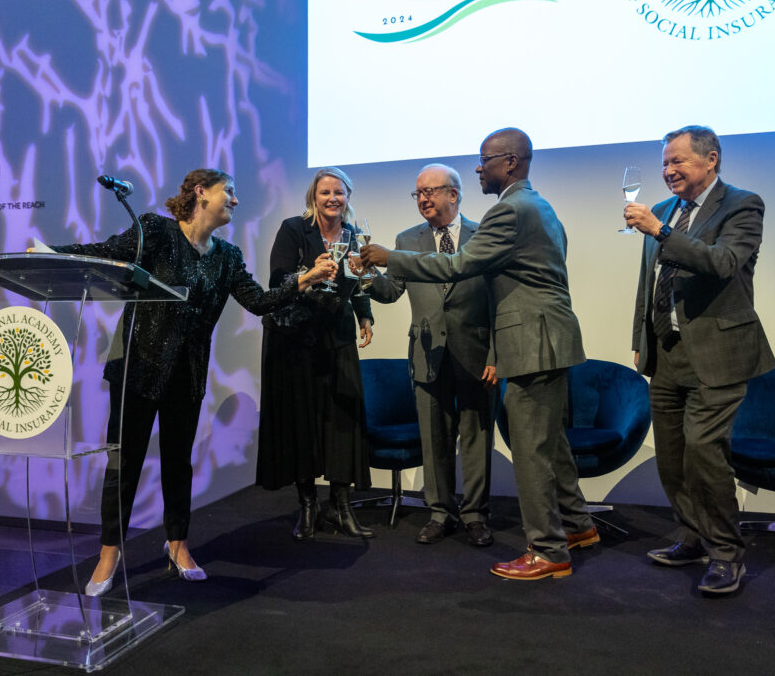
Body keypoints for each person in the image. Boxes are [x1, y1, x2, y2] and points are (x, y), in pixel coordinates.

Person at [49, 168, 336, 596]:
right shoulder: (155, 232)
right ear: (201, 193)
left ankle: (178, 544)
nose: (236, 201)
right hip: (137, 368)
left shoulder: (227, 257)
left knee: (178, 463)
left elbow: (258, 302)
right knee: (122, 465)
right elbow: (105, 254)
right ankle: (110, 553)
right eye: (230, 192)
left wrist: (304, 279)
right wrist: (49, 254)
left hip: (187, 373)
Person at [361, 128, 599, 580]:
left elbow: (457, 265)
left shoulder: (508, 211)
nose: (478, 168)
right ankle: (579, 527)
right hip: (545, 336)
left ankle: (548, 551)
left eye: (484, 160)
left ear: (509, 162)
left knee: (531, 451)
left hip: (530, 340)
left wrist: (389, 256)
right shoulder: (539, 206)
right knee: (553, 446)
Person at [624, 125, 775, 595]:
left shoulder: (743, 204)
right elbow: (649, 282)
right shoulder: (664, 211)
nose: (668, 171)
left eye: (678, 162)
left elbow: (723, 263)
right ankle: (693, 536)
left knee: (705, 452)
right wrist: (640, 337)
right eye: (665, 163)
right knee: (672, 459)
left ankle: (727, 554)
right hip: (667, 352)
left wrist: (661, 230)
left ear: (711, 160)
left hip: (719, 353)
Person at [362, 163, 497, 547]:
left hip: (476, 353)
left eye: (430, 191)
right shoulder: (406, 238)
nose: (422, 198)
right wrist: (367, 277)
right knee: (434, 438)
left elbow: (499, 300)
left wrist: (496, 353)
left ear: (453, 194)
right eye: (417, 193)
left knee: (476, 437)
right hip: (427, 352)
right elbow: (391, 292)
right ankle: (440, 512)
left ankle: (475, 515)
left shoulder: (483, 235)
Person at [257, 167, 376, 539]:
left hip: (336, 336)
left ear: (347, 197)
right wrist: (310, 275)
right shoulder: (294, 229)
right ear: (314, 197)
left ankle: (341, 507)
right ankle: (308, 505)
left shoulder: (354, 235)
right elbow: (278, 280)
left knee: (342, 420)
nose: (332, 199)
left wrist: (365, 316)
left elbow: (359, 282)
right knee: (303, 422)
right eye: (325, 192)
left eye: (338, 193)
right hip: (297, 339)